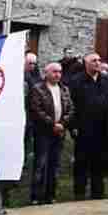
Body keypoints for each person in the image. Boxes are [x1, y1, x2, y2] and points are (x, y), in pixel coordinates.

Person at [69, 53, 108, 200]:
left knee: (99, 163)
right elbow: (71, 106)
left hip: (102, 130)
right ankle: (79, 194)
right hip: (84, 129)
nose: (97, 63)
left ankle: (98, 193)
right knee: (82, 163)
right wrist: (73, 126)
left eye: (99, 60)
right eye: (94, 61)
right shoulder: (76, 81)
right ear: (86, 64)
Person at [29, 62, 72, 204]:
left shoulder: (64, 89)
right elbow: (36, 110)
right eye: (54, 71)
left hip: (59, 132)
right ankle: (36, 195)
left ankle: (50, 194)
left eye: (60, 72)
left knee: (55, 164)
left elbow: (70, 109)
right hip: (44, 132)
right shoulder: (37, 89)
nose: (57, 74)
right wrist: (52, 124)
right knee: (41, 163)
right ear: (46, 73)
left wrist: (62, 124)